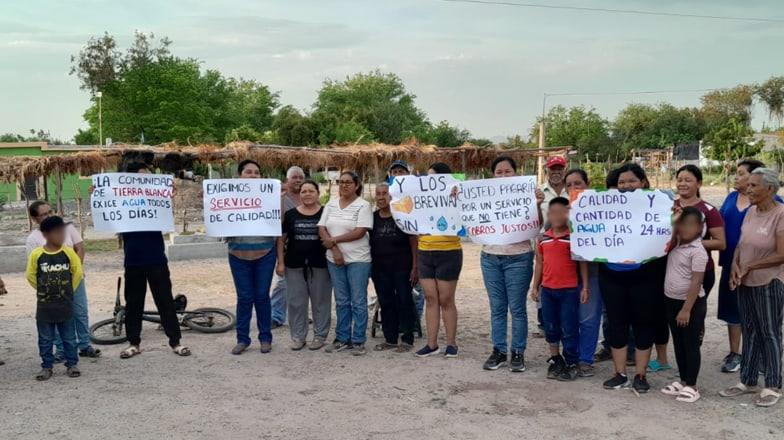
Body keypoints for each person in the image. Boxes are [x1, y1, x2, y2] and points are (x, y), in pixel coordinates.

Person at [649, 164, 726, 373]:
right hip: (670, 271)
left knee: (692, 316)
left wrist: (689, 243)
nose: (683, 183)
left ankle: (691, 364)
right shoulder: (666, 206)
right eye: (680, 179)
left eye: (688, 180)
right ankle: (668, 360)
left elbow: (720, 242)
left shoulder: (709, 210)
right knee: (668, 316)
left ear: (699, 183)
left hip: (699, 272)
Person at [599, 163, 666, 394]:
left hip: (645, 275)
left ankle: (640, 375)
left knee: (643, 324)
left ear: (643, 182)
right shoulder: (604, 207)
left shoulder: (658, 204)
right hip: (611, 274)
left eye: (631, 181)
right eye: (621, 183)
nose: (626, 186)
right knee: (616, 324)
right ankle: (619, 374)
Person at [112, 162, 190, 359]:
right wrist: (99, 194)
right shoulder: (121, 200)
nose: (147, 180)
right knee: (133, 304)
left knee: (165, 302)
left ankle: (175, 342)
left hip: (156, 258)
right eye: (142, 176)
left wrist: (168, 193)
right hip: (133, 260)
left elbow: (166, 210)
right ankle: (134, 343)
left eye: (149, 176)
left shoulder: (156, 196)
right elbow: (107, 211)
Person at [721, 168, 784, 408]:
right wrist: (736, 267)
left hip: (770, 281)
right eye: (749, 185)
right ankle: (747, 381)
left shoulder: (780, 214)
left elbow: (782, 253)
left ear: (770, 189)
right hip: (745, 280)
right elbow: (741, 244)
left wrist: (750, 265)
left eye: (754, 186)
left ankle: (773, 384)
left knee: (770, 332)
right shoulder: (750, 212)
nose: (749, 189)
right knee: (750, 329)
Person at [481, 156, 543, 373]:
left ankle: (518, 351)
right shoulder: (484, 195)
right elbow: (468, 215)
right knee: (497, 308)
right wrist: (458, 197)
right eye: (499, 172)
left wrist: (538, 204)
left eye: (508, 171)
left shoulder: (527, 194)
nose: (503, 175)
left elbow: (538, 225)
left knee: (517, 308)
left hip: (519, 256)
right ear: (493, 175)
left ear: (516, 173)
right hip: (490, 256)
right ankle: (498, 350)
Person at [26, 200, 101, 360]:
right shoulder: (33, 239)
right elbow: (33, 267)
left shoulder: (68, 228)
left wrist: (76, 272)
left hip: (75, 279)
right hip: (51, 287)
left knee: (80, 312)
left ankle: (84, 345)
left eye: (50, 212)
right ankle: (61, 350)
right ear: (34, 219)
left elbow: (79, 247)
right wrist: (42, 286)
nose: (48, 216)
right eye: (43, 214)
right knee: (57, 316)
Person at [531, 197, 589, 381]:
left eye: (562, 211)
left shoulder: (573, 238)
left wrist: (585, 287)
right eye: (553, 212)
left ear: (568, 214)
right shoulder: (542, 239)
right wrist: (535, 286)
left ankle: (572, 361)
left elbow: (582, 264)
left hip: (569, 291)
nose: (557, 216)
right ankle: (556, 359)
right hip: (547, 291)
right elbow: (539, 263)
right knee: (550, 327)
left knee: (569, 327)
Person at [319, 171, 373, 355]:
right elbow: (322, 227)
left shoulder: (363, 205)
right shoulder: (331, 204)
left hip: (358, 260)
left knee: (358, 301)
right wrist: (334, 249)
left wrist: (333, 241)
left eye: (348, 182)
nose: (344, 185)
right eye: (341, 182)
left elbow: (359, 232)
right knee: (341, 300)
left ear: (357, 185)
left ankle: (358, 340)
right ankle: (342, 338)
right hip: (334, 259)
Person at [227, 159, 279, 355]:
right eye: (248, 172)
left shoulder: (270, 196)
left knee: (262, 297)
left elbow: (278, 224)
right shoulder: (226, 195)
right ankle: (242, 339)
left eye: (256, 172)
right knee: (244, 297)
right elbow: (216, 221)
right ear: (240, 175)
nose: (253, 175)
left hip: (265, 252)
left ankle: (265, 338)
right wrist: (209, 201)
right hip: (237, 253)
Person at [276, 180, 331, 351]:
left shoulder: (325, 213)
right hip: (294, 265)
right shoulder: (291, 214)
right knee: (296, 303)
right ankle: (298, 337)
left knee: (321, 303)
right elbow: (281, 240)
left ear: (317, 193)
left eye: (311, 191)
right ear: (300, 195)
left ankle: (320, 336)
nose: (307, 194)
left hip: (320, 265)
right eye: (304, 191)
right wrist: (281, 263)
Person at [26, 215, 83, 380]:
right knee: (45, 339)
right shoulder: (37, 254)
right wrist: (43, 289)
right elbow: (30, 275)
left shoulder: (68, 253)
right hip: (44, 306)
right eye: (57, 232)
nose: (62, 236)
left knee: (69, 338)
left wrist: (68, 290)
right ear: (46, 234)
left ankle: (72, 364)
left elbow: (77, 272)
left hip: (65, 305)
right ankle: (46, 366)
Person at [661, 206, 708, 403]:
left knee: (690, 344)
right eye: (681, 224)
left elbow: (696, 282)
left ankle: (692, 385)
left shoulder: (698, 252)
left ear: (700, 228)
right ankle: (682, 380)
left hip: (690, 305)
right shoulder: (676, 244)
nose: (684, 229)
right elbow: (668, 237)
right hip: (671, 301)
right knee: (678, 343)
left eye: (690, 225)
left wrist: (686, 309)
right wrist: (675, 218)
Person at [415, 162, 462, 358]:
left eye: (434, 177)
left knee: (446, 299)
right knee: (430, 298)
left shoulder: (456, 194)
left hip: (449, 251)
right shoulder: (421, 197)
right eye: (428, 177)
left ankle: (451, 343)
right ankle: (431, 344)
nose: (430, 181)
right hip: (425, 251)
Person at [370, 182, 418, 353]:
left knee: (405, 301)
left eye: (385, 193)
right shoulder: (372, 218)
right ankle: (390, 339)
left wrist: (415, 266)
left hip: (402, 268)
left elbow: (414, 241)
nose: (381, 197)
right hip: (379, 269)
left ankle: (407, 339)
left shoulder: (402, 216)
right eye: (378, 193)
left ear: (391, 196)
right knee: (386, 302)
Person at [564, 168, 602, 377]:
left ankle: (585, 359)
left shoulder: (601, 208)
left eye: (577, 183)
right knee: (568, 317)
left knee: (588, 317)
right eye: (569, 185)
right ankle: (571, 356)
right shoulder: (560, 210)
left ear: (587, 185)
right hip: (566, 273)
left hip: (593, 271)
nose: (573, 188)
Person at [387, 160, 425, 324]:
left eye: (400, 171)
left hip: (417, 247)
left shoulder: (418, 195)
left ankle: (414, 320)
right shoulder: (387, 195)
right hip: (395, 251)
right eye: (394, 172)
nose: (397, 175)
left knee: (417, 286)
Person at [270, 166, 307, 328]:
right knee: (283, 282)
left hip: (305, 246)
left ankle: (300, 314)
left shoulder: (308, 196)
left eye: (301, 177)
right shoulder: (281, 199)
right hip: (285, 246)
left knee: (303, 284)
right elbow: (277, 224)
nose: (298, 180)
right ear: (287, 180)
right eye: (295, 177)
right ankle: (276, 315)